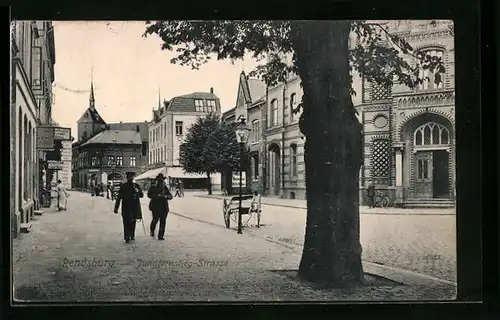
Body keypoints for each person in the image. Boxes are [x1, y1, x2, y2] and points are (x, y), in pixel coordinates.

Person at [114, 172, 144, 243]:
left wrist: (137, 191)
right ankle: (127, 236)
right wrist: (116, 208)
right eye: (129, 177)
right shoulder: (124, 186)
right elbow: (119, 197)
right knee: (126, 222)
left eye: (132, 177)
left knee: (133, 221)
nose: (130, 178)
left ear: (133, 178)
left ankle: (132, 235)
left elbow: (141, 195)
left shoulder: (136, 186)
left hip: (134, 207)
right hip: (126, 207)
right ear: (127, 178)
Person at [148, 173, 173, 241]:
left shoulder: (165, 187)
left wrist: (165, 196)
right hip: (155, 206)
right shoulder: (153, 187)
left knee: (163, 222)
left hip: (164, 207)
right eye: (159, 180)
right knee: (154, 220)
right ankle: (152, 231)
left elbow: (170, 196)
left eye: (162, 180)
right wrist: (157, 195)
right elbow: (149, 195)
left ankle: (160, 235)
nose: (161, 181)